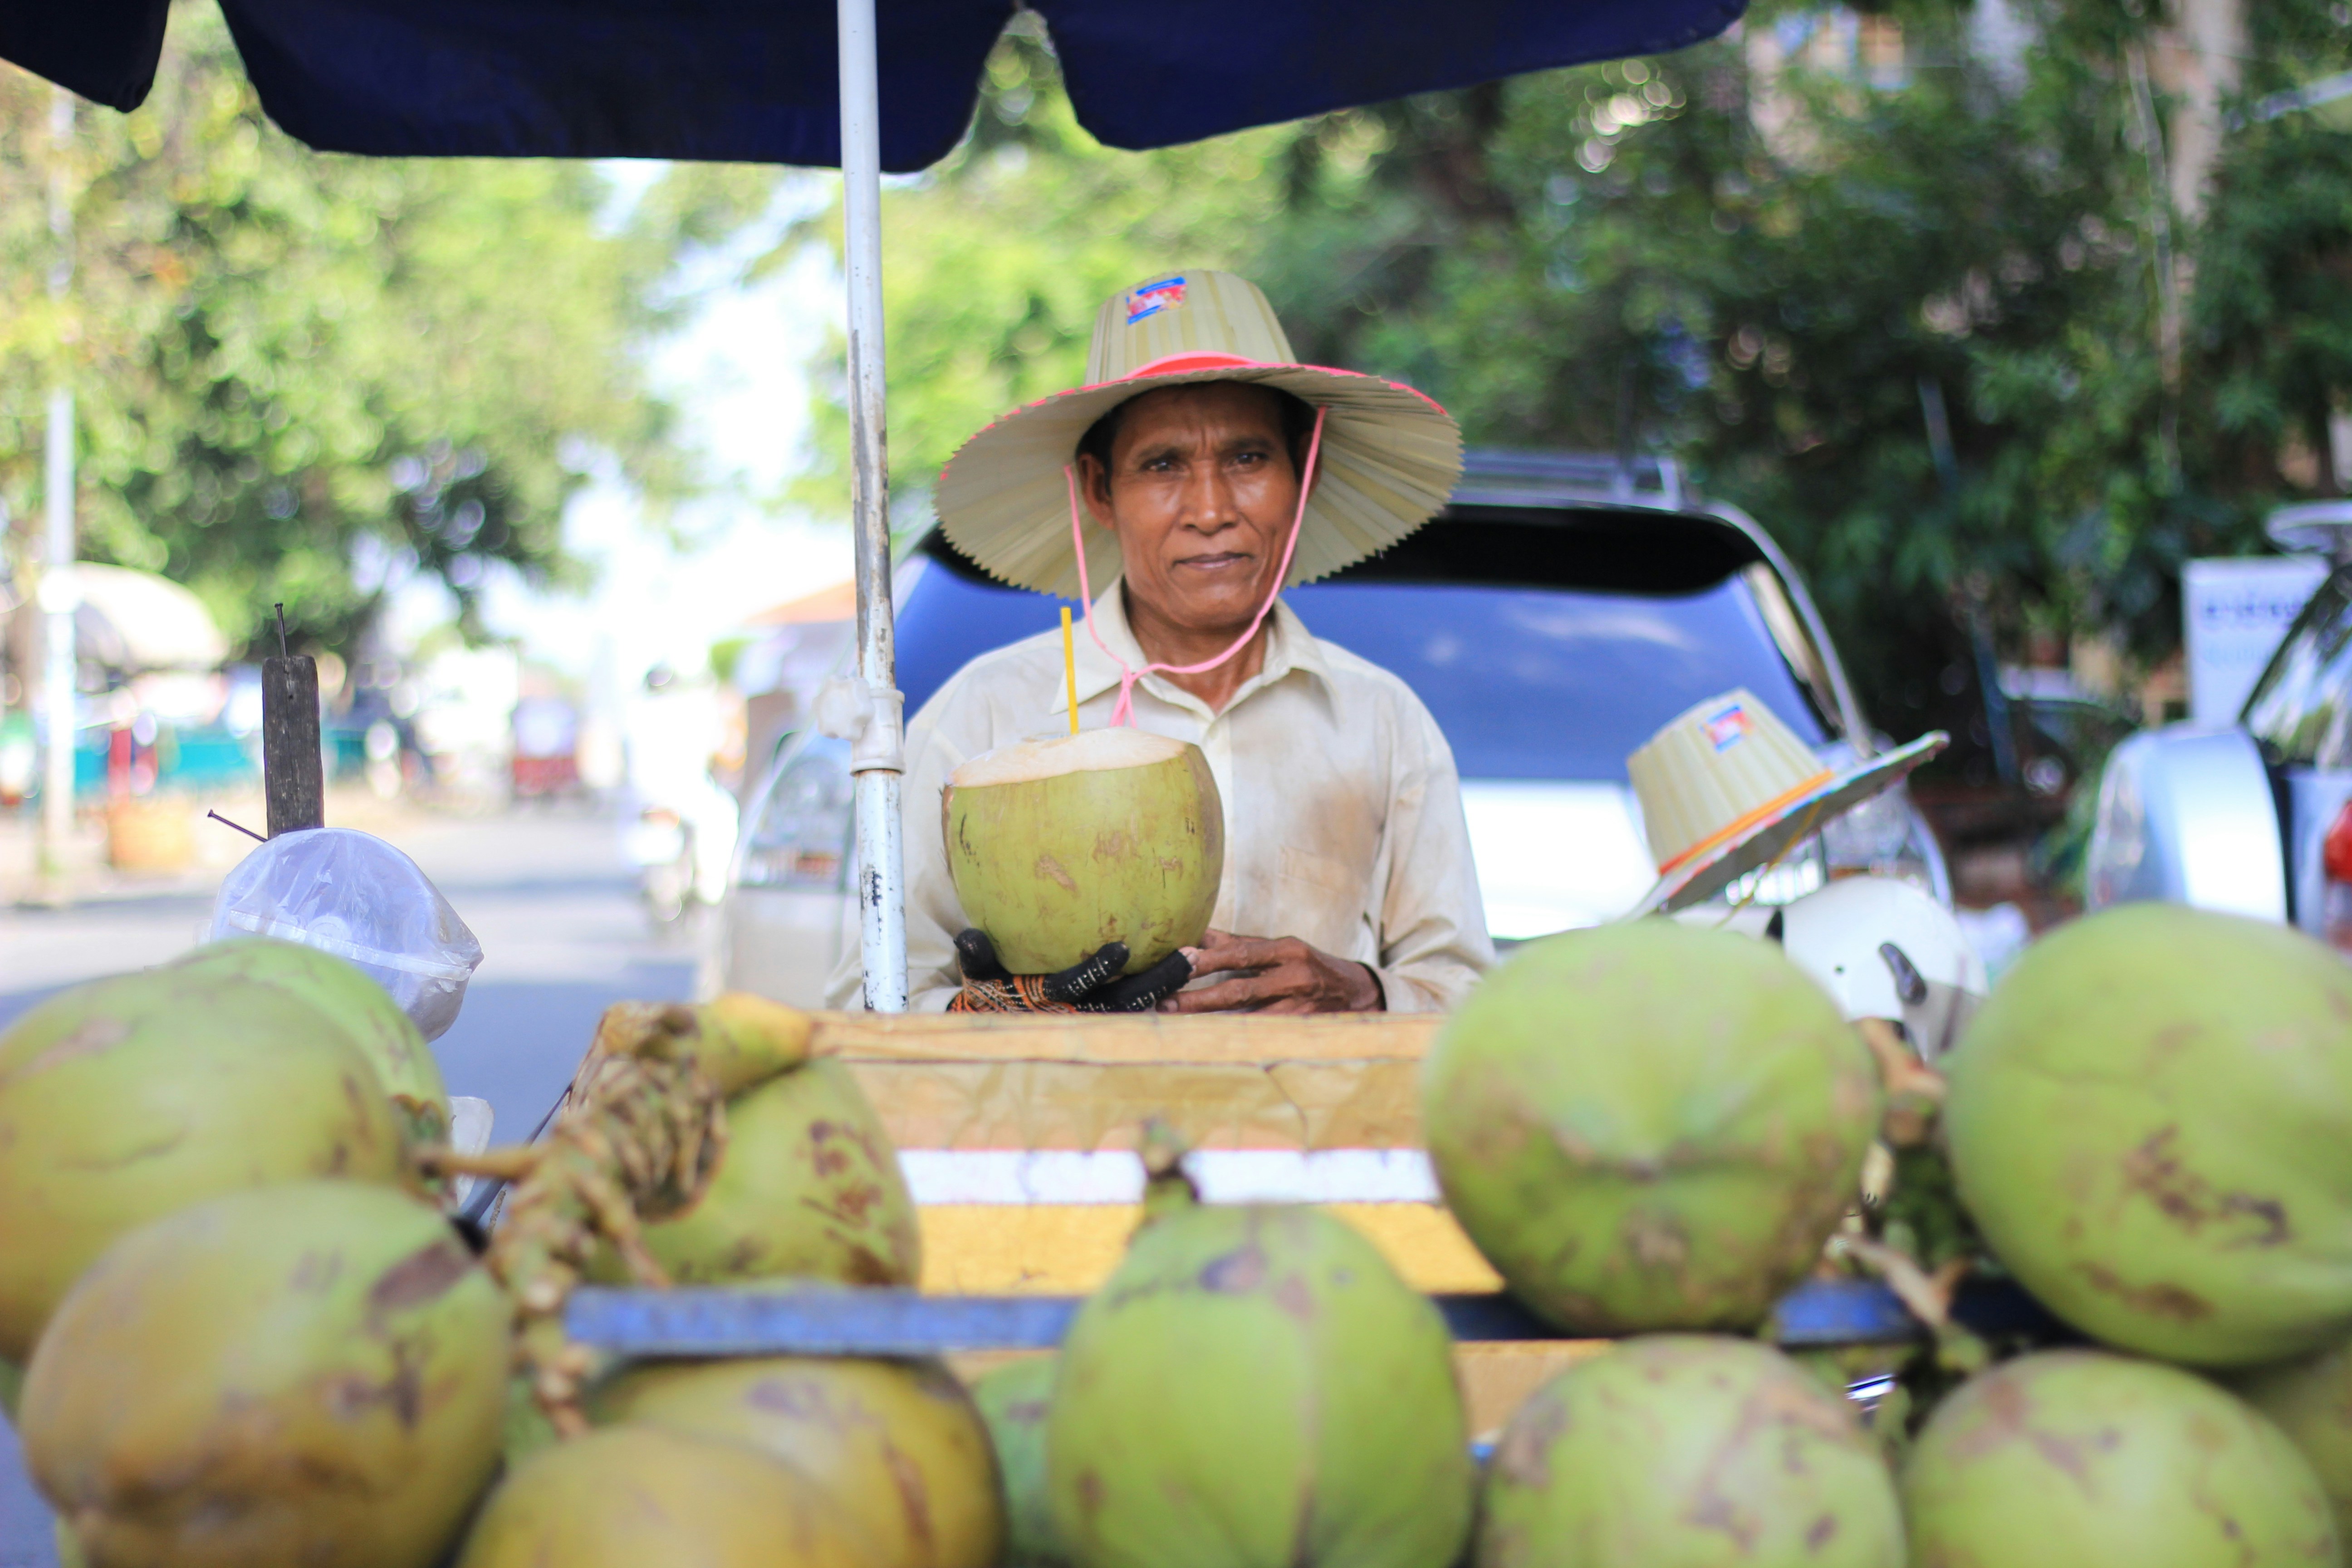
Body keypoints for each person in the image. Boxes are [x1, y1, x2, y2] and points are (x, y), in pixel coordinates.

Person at [826, 269, 1492, 1014]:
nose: (1210, 509)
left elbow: (1465, 996)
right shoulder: (987, 714)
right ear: (1098, 490)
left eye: (1247, 458)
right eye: (1162, 465)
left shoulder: (1381, 720)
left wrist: (1364, 991)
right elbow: (868, 997)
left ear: (1304, 470)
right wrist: (991, 1011)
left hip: (1303, 1127)